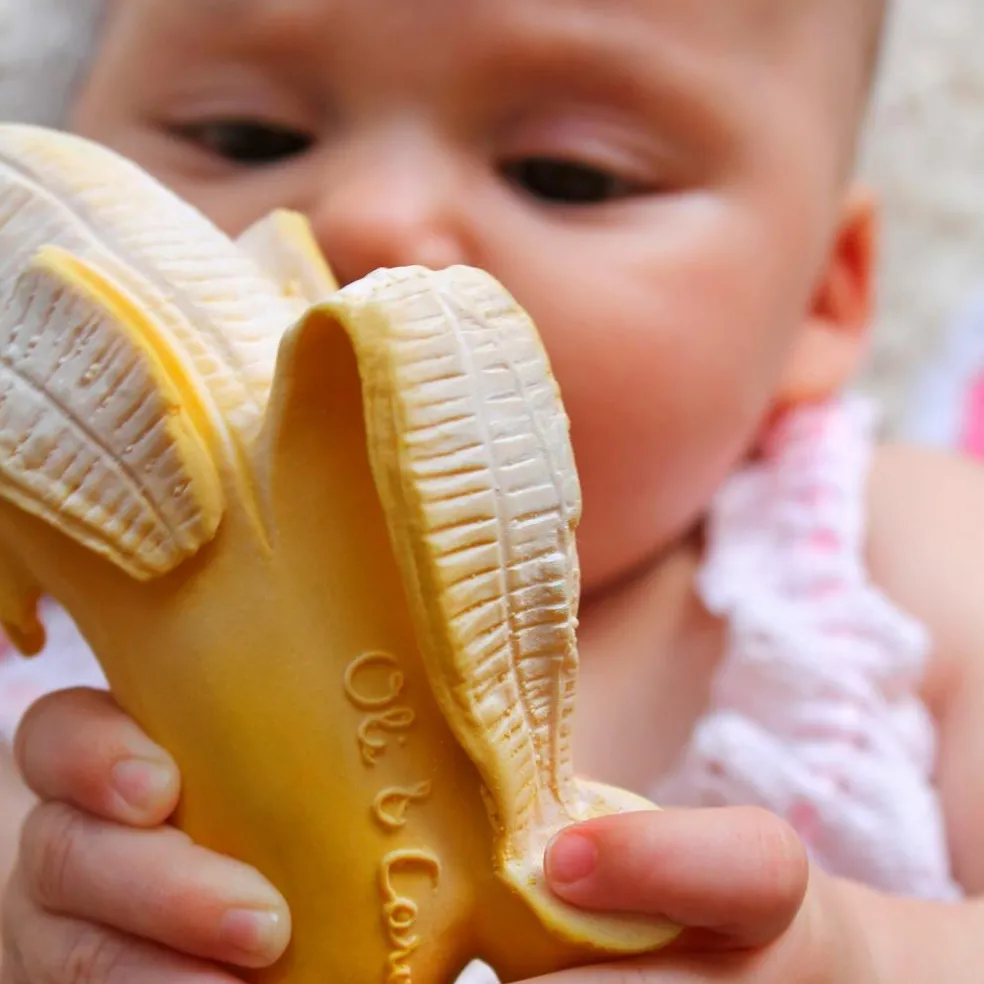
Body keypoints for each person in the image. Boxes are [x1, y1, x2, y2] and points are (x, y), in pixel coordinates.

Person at [3, 0, 984, 981]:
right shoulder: (47, 674)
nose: (366, 216)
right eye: (245, 136)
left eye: (568, 176)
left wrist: (860, 958)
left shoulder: (909, 563)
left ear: (821, 296)